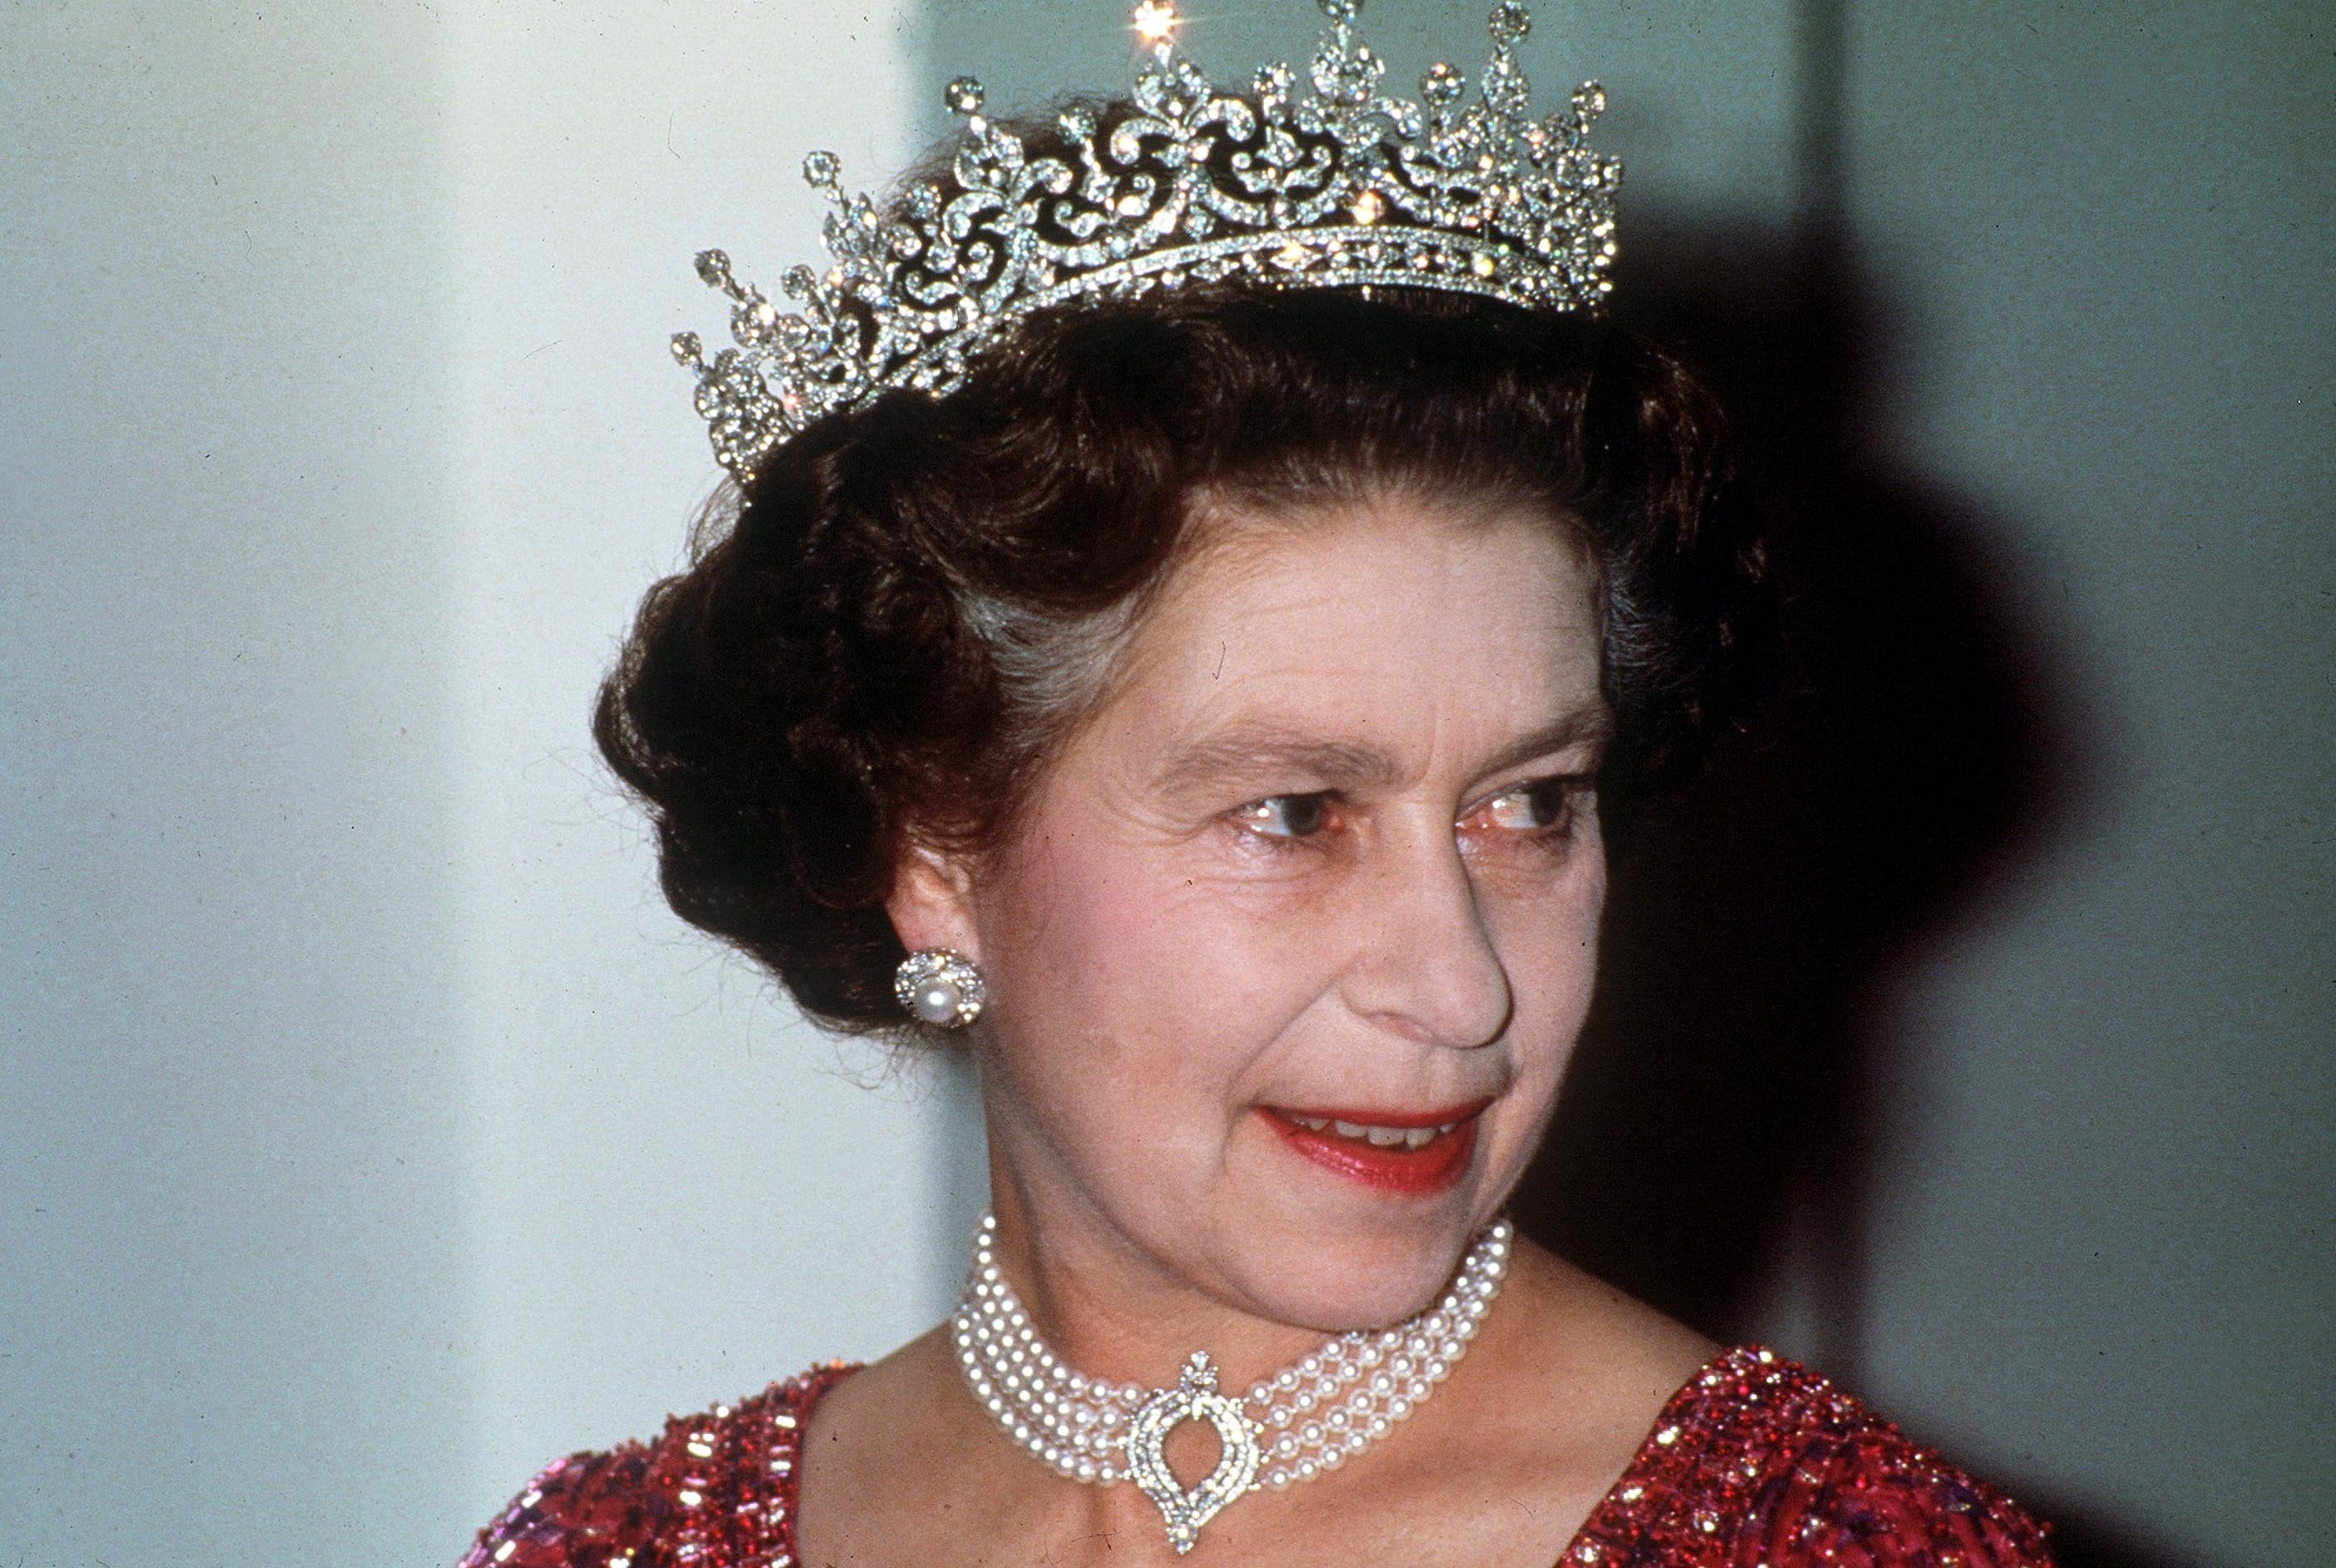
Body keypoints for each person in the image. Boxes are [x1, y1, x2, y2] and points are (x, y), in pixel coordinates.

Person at [463, 3, 2055, 1563]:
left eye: (1531, 804)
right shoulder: (611, 1545)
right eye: (1296, 814)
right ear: (931, 841)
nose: (1461, 991)